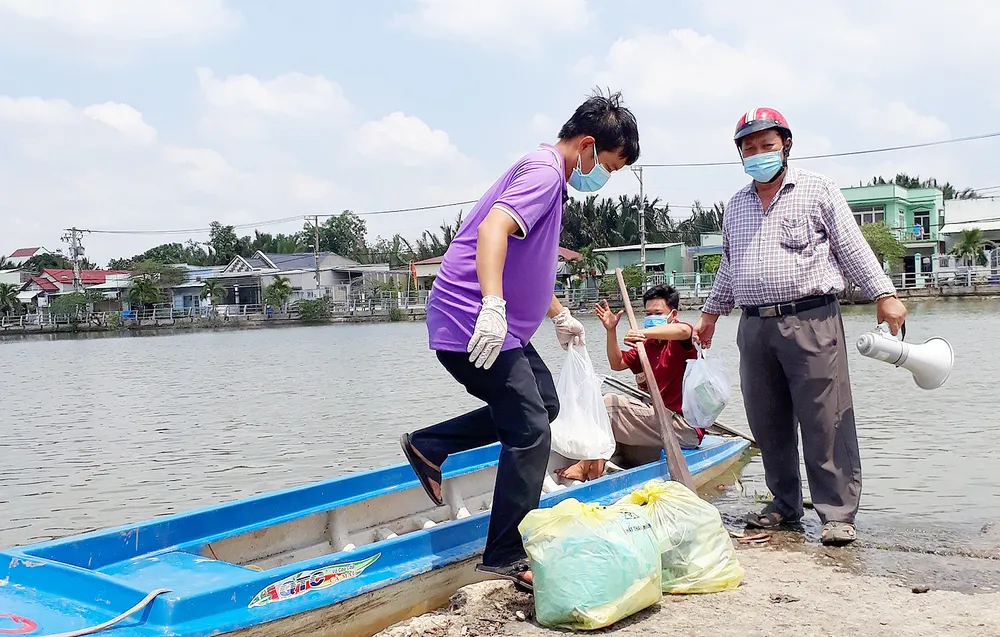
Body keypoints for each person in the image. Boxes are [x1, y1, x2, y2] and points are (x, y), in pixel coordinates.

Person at [399, 90, 640, 592]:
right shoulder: (546, 171)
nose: (605, 178)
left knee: (544, 403)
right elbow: (493, 231)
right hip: (474, 321)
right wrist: (491, 305)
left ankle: (429, 446)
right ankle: (506, 554)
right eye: (610, 167)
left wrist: (557, 313)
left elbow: (528, 262)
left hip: (501, 325)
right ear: (589, 146)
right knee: (531, 430)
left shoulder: (550, 176)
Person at [693, 107, 908, 546]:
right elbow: (729, 267)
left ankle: (837, 513)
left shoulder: (817, 190)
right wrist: (712, 314)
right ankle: (783, 505)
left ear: (785, 145)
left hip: (812, 319)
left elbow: (852, 247)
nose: (758, 154)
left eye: (766, 145)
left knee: (824, 417)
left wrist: (884, 295)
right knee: (766, 417)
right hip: (754, 327)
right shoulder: (735, 205)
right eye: (748, 148)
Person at [557, 284, 703, 482]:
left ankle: (587, 468)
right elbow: (617, 363)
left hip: (682, 426)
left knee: (609, 405)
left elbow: (684, 330)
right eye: (648, 313)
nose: (652, 317)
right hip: (658, 418)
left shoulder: (679, 340)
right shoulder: (647, 345)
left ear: (673, 313)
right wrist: (611, 331)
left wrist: (643, 333)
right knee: (598, 404)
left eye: (658, 313)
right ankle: (593, 463)